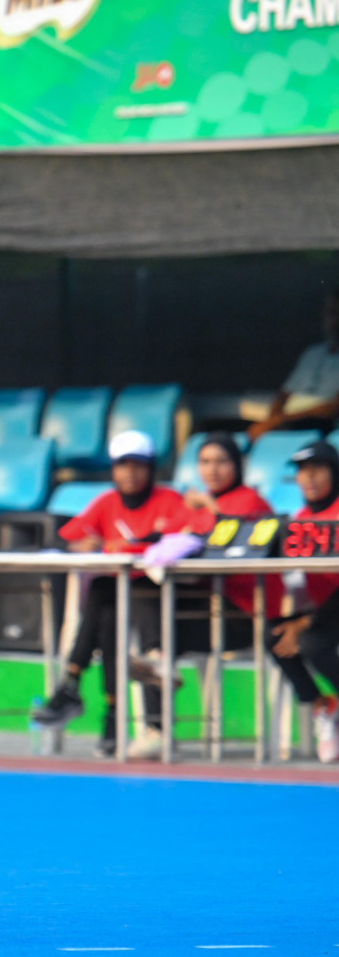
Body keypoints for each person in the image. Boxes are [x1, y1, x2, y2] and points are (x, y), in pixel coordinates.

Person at [31, 430, 192, 756]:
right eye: (122, 465)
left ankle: (77, 689)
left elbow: (181, 539)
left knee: (105, 596)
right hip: (119, 594)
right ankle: (103, 709)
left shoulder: (169, 501)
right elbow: (68, 537)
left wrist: (116, 545)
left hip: (161, 595)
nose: (129, 473)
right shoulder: (106, 502)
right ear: (113, 470)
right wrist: (79, 545)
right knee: (106, 603)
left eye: (138, 465)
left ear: (150, 468)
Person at [126, 433, 281, 758]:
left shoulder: (250, 502)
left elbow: (230, 547)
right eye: (205, 462)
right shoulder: (195, 509)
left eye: (221, 461)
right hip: (208, 607)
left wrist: (209, 509)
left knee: (159, 637)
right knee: (147, 613)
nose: (212, 470)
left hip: (243, 615)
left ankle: (158, 670)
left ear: (237, 465)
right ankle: (156, 726)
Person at [267, 440, 339, 762]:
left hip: (330, 611)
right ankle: (325, 706)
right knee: (274, 634)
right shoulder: (298, 520)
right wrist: (297, 620)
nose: (308, 478)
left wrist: (306, 622)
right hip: (324, 611)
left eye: (316, 470)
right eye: (301, 472)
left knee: (311, 641)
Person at [247, 290, 339, 440]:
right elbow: (283, 395)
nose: (331, 319)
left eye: (335, 312)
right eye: (329, 313)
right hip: (285, 421)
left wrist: (280, 420)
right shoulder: (313, 353)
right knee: (208, 428)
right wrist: (272, 419)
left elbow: (334, 408)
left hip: (320, 425)